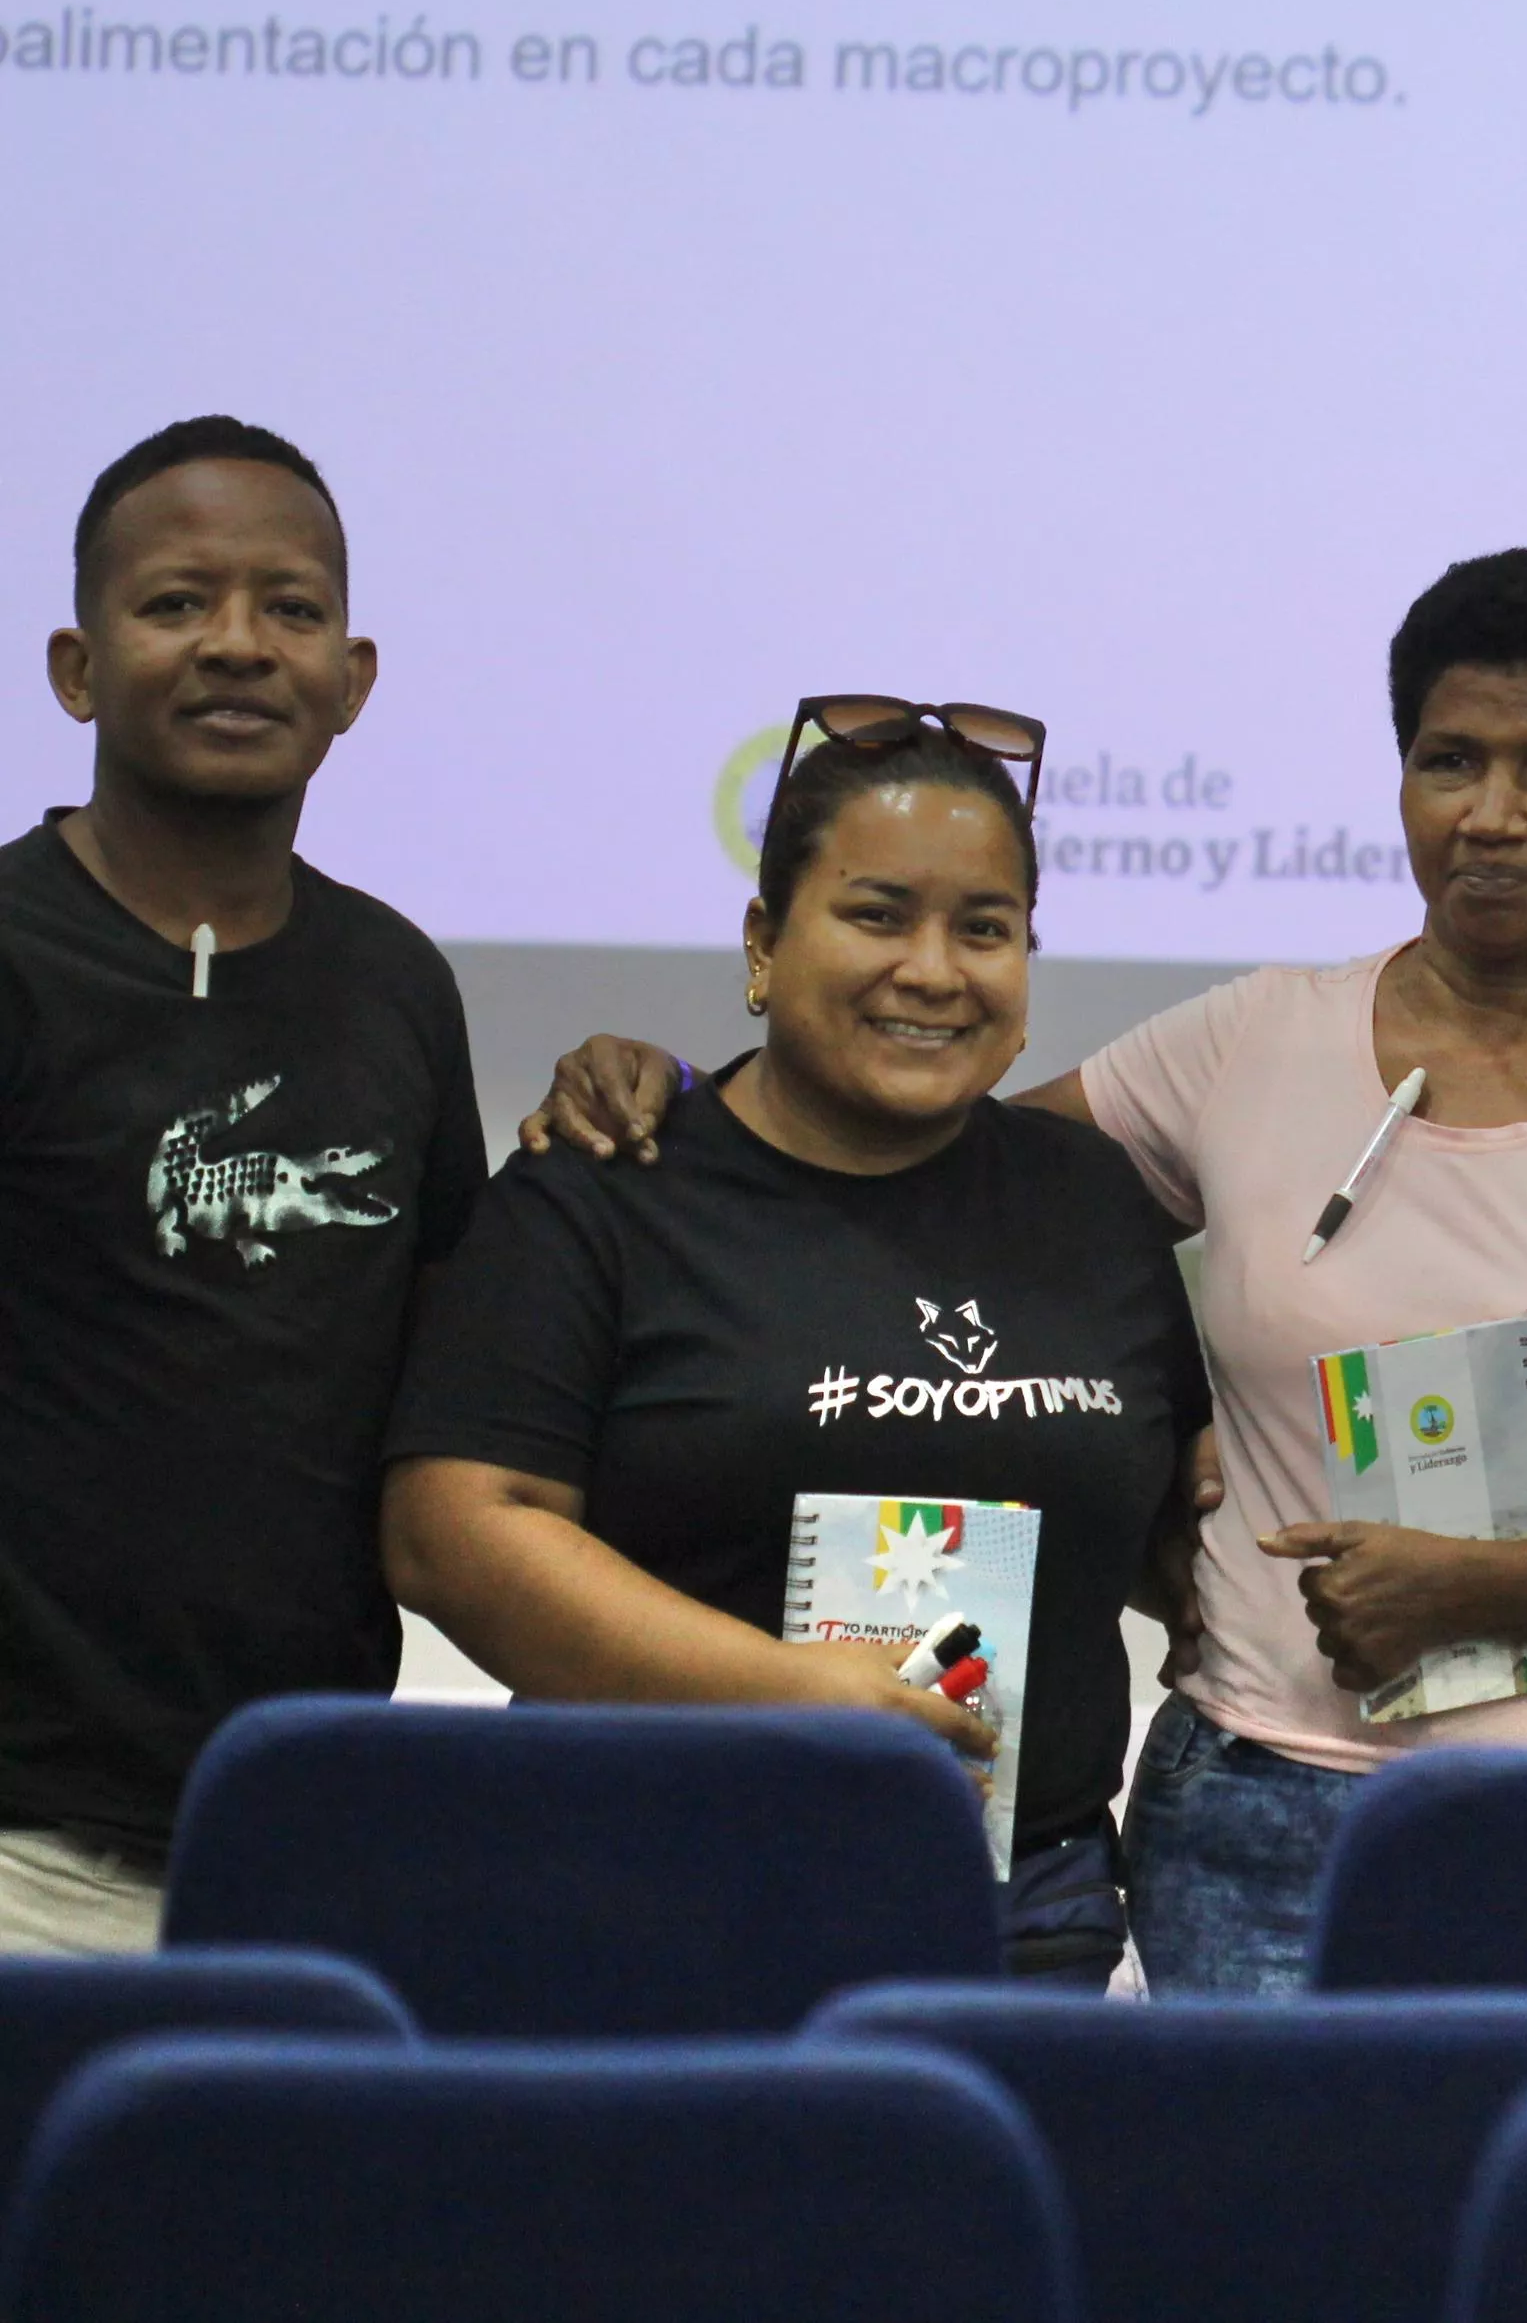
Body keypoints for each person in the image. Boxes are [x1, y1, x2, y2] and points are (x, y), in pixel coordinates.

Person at [517, 552, 1527, 1994]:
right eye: (1448, 759)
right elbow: (920, 1173)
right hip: (1256, 1815)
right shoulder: (1250, 1042)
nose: (1491, 813)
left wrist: (1479, 1585)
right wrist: (677, 1086)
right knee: (1260, 2222)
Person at [385, 704, 1211, 1982]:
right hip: (652, 1884)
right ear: (764, 944)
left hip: (1019, 1909)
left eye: (983, 927)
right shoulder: (606, 1185)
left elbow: (1159, 1510)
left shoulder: (1089, 1199)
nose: (933, 969)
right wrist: (782, 1690)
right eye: (877, 913)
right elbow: (453, 1528)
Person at [0, 418, 483, 1958]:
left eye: (290, 607)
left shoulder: (397, 982)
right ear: (77, 667)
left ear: (354, 677)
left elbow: (447, 1371)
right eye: (175, 603)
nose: (238, 645)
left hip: (307, 1837)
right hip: (21, 1847)